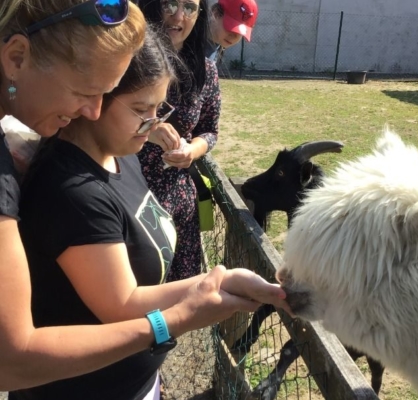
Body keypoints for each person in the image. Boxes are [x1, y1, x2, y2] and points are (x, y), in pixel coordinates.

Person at [0, 0, 287, 392]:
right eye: (86, 91)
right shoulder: (67, 186)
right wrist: (174, 319)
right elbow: (13, 357)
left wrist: (215, 283)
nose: (92, 111)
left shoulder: (123, 156)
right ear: (16, 57)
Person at [138, 0, 220, 281]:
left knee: (179, 294)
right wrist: (148, 129)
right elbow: (97, 113)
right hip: (131, 190)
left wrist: (191, 151)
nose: (178, 15)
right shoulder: (129, 58)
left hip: (178, 196)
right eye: (170, 3)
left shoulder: (206, 71)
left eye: (189, 6)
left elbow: (210, 131)